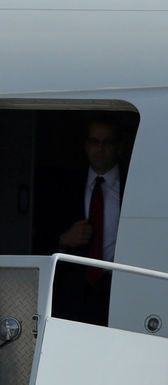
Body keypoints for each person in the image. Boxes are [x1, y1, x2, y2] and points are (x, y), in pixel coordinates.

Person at [50, 117, 125, 326]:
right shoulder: (65, 187)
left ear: (119, 147)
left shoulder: (133, 186)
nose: (99, 149)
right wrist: (64, 239)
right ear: (86, 146)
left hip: (119, 286)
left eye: (107, 142)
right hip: (73, 292)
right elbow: (37, 235)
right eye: (94, 142)